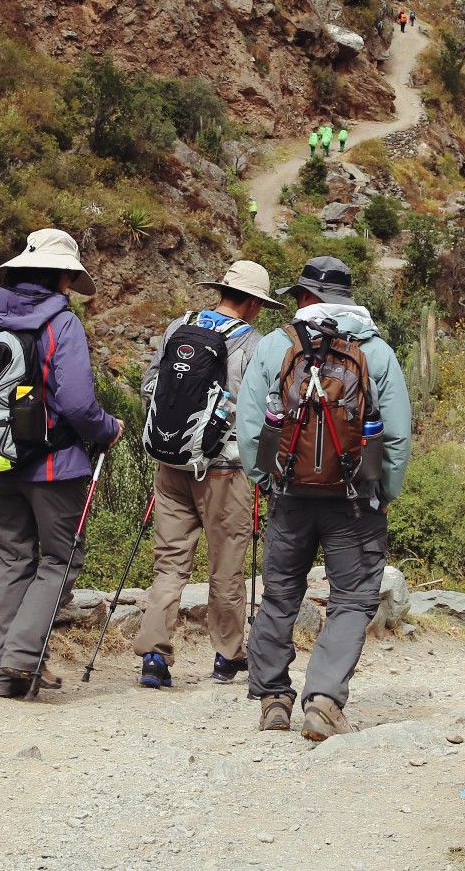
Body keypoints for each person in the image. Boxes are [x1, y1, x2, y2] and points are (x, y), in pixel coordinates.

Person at [237, 256, 412, 740]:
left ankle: (273, 698)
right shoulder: (376, 352)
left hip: (289, 494)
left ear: (308, 298)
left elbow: (250, 428)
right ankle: (324, 701)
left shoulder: (276, 346)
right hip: (355, 500)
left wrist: (266, 479)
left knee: (280, 594)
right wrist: (385, 491)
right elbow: (395, 437)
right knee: (353, 599)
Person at [0, 228, 122, 698]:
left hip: (0, 458)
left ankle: (3, 671)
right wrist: (108, 429)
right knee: (60, 559)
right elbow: (76, 403)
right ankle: (21, 657)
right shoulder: (62, 324)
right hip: (54, 466)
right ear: (63, 275)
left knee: (14, 559)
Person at [132, 261, 282, 689]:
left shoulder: (180, 326)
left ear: (222, 291)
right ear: (253, 303)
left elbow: (150, 386)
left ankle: (154, 659)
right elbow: (262, 410)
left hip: (171, 463)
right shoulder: (253, 342)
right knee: (226, 564)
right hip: (223, 470)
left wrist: (177, 435)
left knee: (170, 565)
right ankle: (228, 654)